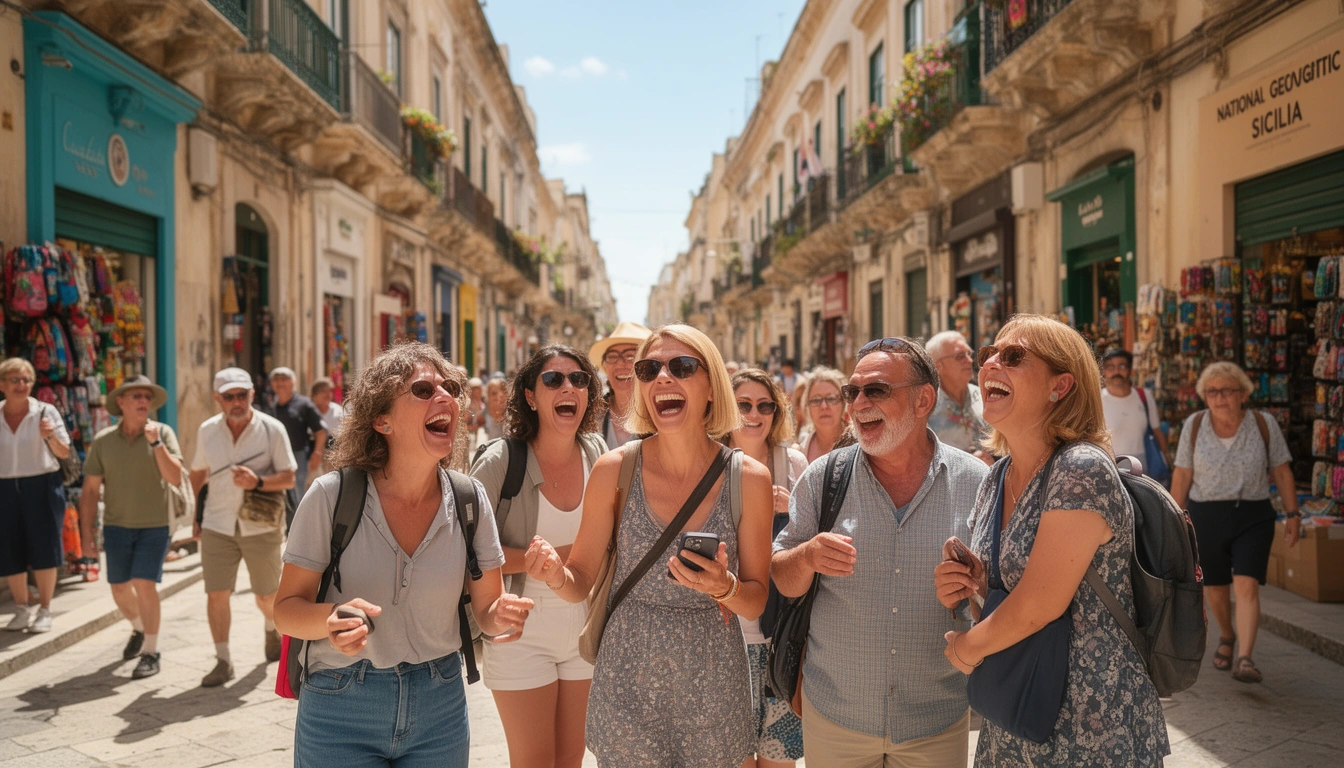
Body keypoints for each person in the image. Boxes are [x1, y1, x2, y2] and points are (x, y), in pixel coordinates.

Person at [525, 324, 773, 767]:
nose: (662, 378)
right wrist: (554, 575)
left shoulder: (748, 479)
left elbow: (755, 602)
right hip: (626, 680)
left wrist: (724, 586)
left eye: (680, 366)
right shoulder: (613, 470)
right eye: (648, 369)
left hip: (713, 683)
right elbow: (579, 580)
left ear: (712, 386)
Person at [275, 342, 531, 765]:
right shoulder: (331, 496)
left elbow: (487, 608)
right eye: (423, 390)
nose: (445, 396)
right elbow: (285, 609)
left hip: (440, 705)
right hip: (340, 704)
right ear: (382, 420)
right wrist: (329, 619)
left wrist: (500, 617)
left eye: (450, 387)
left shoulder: (470, 499)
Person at [934, 314, 1169, 766]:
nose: (991, 365)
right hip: (1017, 708)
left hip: (1091, 722)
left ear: (1059, 387)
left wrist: (967, 649)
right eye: (990, 355)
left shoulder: (1080, 468)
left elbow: (1040, 604)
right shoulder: (997, 475)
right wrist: (974, 582)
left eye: (1014, 357)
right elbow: (1011, 595)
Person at [773, 338, 987, 766]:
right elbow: (780, 574)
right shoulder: (823, 477)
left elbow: (1002, 595)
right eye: (854, 391)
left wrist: (974, 588)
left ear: (924, 399)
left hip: (935, 720)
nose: (859, 404)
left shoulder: (976, 481)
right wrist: (808, 556)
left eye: (877, 390)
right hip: (836, 717)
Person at [470, 345, 607, 768]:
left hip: (584, 623)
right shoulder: (499, 462)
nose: (568, 387)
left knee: (570, 760)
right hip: (519, 627)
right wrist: (532, 562)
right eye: (553, 379)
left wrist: (566, 558)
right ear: (530, 395)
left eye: (579, 379)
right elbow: (466, 551)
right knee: (533, 762)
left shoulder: (597, 452)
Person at [1171, 361, 1299, 684]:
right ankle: (1227, 635)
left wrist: (1293, 513)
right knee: (1214, 589)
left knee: (1246, 583)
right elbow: (1183, 474)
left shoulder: (1263, 423)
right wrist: (1173, 517)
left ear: (1243, 394)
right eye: (1212, 392)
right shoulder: (1194, 425)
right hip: (1206, 514)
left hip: (1252, 514)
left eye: (1227, 390)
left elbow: (1282, 471)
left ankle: (1245, 657)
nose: (1219, 398)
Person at [189, 367, 297, 688]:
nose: (236, 402)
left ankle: (270, 626)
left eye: (242, 395)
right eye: (228, 397)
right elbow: (197, 473)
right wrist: (196, 516)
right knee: (216, 594)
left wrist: (258, 481)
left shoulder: (272, 429)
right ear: (217, 399)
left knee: (267, 596)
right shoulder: (207, 430)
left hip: (260, 525)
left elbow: (289, 477)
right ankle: (223, 660)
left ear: (252, 394)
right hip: (217, 523)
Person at [723, 368, 807, 768]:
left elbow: (811, 538)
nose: (754, 414)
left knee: (778, 760)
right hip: (723, 640)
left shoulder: (792, 462)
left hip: (780, 640)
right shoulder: (707, 460)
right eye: (742, 404)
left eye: (764, 405)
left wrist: (791, 508)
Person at [78, 376, 183, 678]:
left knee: (143, 582)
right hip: (116, 526)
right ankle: (139, 629)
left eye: (146, 397)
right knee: (119, 588)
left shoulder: (162, 433)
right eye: (135, 396)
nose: (142, 402)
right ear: (120, 403)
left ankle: (151, 651)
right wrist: (86, 536)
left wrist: (157, 444)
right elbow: (89, 492)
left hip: (155, 525)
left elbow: (175, 477)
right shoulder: (103, 440)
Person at [1, 358, 71, 634]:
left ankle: (44, 609)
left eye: (26, 380)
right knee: (9, 550)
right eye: (15, 379)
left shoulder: (45, 411)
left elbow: (65, 452)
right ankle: (20, 609)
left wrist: (50, 437)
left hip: (41, 484)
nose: (22, 385)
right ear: (3, 384)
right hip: (4, 486)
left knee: (45, 547)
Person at [262, 367, 326, 524]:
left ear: (293, 383)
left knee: (297, 494)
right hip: (274, 457)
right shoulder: (270, 406)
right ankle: (287, 527)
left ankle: (301, 528)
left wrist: (317, 453)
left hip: (297, 456)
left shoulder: (304, 404)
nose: (280, 383)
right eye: (276, 380)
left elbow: (321, 431)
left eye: (284, 379)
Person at [925, 331, 992, 463]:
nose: (970, 360)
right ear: (938, 365)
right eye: (960, 356)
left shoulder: (985, 397)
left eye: (969, 354)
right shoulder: (926, 406)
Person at [589, 320, 653, 450]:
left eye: (630, 356)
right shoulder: (590, 416)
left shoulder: (663, 416)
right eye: (612, 357)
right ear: (605, 367)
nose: (619, 364)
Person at [1100, 349, 1169, 460]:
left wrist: (1166, 461)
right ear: (1104, 372)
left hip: (1142, 466)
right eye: (1111, 367)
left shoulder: (1144, 396)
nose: (1116, 371)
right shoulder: (1098, 400)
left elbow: (1157, 432)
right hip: (1109, 464)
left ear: (1130, 370)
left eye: (1122, 366)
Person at [797, 368, 848, 464]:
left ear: (843, 403)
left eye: (831, 398)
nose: (824, 406)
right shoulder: (800, 453)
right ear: (807, 407)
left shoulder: (861, 444)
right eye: (816, 400)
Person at [310, 378, 345, 480]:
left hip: (332, 453)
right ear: (314, 395)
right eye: (323, 392)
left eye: (329, 391)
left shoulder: (338, 411)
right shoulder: (309, 411)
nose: (328, 395)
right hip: (312, 454)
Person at [481, 377, 508, 442]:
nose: (496, 398)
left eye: (503, 392)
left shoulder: (512, 417)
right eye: (493, 393)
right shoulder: (484, 414)